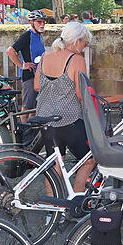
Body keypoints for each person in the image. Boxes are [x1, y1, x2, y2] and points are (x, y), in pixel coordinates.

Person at [34, 22, 97, 194]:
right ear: (77, 41)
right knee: (89, 160)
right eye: (85, 42)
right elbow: (80, 94)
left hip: (45, 119)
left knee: (54, 164)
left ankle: (53, 211)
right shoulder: (76, 60)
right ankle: (76, 201)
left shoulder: (46, 56)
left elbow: (37, 86)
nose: (85, 47)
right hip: (68, 120)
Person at [6, 10, 47, 123]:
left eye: (44, 22)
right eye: (39, 22)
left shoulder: (38, 35)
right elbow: (10, 51)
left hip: (38, 75)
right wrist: (22, 65)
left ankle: (31, 129)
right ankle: (23, 129)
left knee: (34, 106)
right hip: (29, 76)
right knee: (27, 106)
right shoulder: (27, 36)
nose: (42, 24)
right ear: (31, 22)